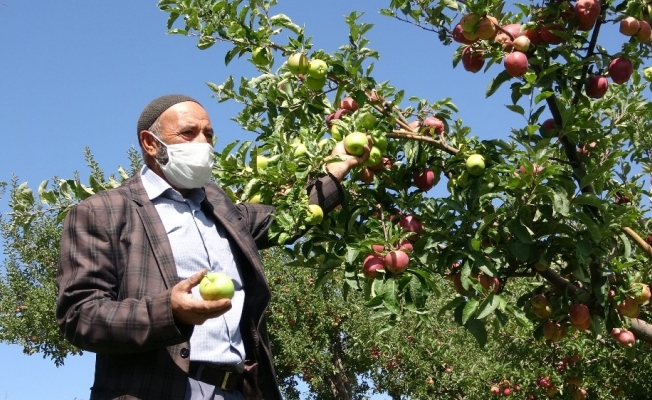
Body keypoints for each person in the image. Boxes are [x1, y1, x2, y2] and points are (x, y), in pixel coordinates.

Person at [56, 94, 370, 400]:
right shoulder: (103, 212)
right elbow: (79, 315)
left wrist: (337, 167)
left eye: (208, 135)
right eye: (188, 133)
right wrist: (169, 311)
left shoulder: (219, 206)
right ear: (150, 143)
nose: (203, 144)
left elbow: (290, 218)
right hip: (157, 389)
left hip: (235, 389)